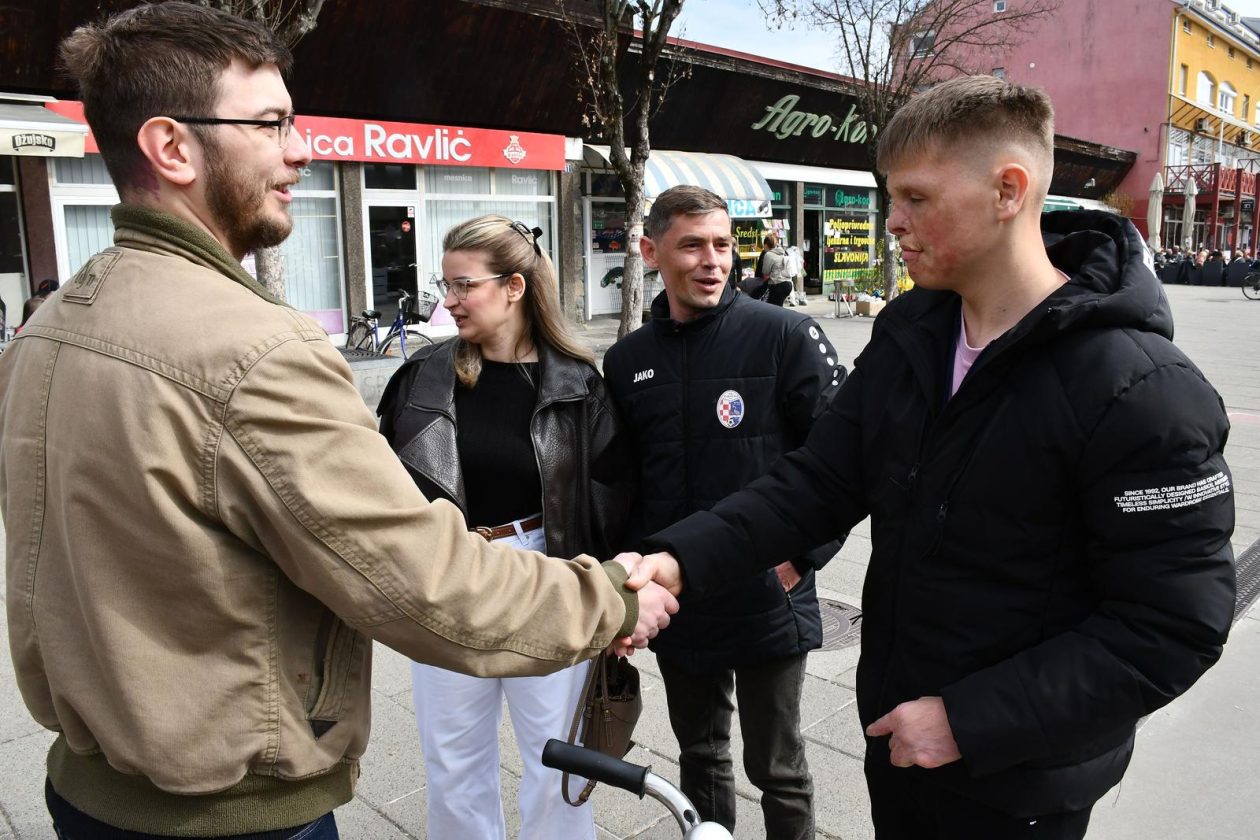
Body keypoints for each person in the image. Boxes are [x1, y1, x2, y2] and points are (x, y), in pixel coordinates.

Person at [0, 5, 675, 839]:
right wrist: (610, 600)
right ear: (172, 147)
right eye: (271, 123)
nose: (300, 149)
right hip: (232, 812)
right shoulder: (256, 351)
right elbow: (416, 580)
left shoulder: (48, 329)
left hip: (90, 792)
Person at [623, 76, 1236, 840]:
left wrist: (967, 721)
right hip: (900, 747)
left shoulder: (1142, 390)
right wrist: (678, 559)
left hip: (1017, 787)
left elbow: (1174, 623)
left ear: (1008, 190)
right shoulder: (912, 335)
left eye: (915, 197)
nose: (892, 221)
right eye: (892, 197)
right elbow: (815, 482)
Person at [377, 215, 632, 840]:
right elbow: (383, 484)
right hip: (448, 574)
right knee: (453, 762)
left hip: (546, 571)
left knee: (557, 761)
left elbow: (613, 500)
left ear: (514, 287)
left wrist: (612, 602)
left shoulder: (578, 384)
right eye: (446, 284)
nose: (449, 300)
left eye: (464, 285)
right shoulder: (422, 377)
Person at [602, 185, 845, 839]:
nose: (713, 260)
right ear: (650, 251)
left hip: (768, 590)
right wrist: (626, 587)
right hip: (678, 600)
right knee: (701, 758)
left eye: (723, 244)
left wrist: (801, 558)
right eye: (692, 245)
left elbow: (842, 460)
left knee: (778, 768)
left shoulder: (784, 335)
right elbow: (623, 485)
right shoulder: (627, 362)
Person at [760, 233, 795, 306]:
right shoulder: (782, 252)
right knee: (778, 306)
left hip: (777, 284)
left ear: (766, 245)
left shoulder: (768, 254)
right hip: (788, 284)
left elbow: (765, 272)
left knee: (773, 307)